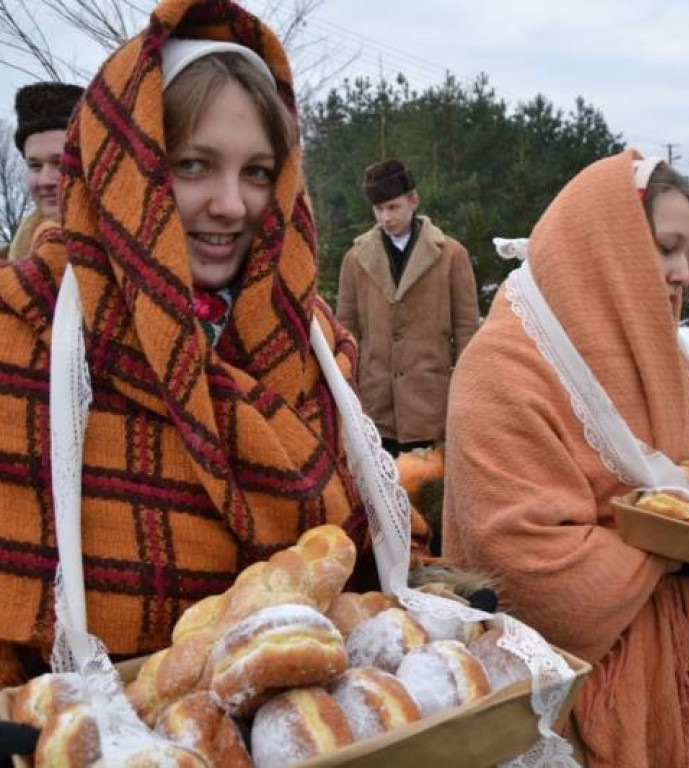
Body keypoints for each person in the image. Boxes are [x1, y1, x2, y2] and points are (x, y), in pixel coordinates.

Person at [0, 0, 437, 687]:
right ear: (124, 169)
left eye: (257, 171)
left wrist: (436, 596)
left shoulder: (314, 342)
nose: (231, 204)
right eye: (193, 165)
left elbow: (381, 537)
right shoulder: (24, 336)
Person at [443, 151, 689, 768]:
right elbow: (522, 561)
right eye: (666, 248)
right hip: (583, 692)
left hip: (685, 659)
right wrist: (683, 551)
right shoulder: (503, 369)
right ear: (604, 248)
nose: (684, 273)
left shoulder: (653, 355)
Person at [336, 160, 479, 456]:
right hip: (375, 405)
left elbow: (466, 329)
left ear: (414, 201)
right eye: (378, 209)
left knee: (430, 481)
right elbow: (346, 330)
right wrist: (349, 390)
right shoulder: (355, 259)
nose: (386, 217)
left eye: (393, 207)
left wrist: (465, 391)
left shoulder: (452, 255)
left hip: (431, 403)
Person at [1, 81, 84, 262]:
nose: (44, 180)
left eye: (60, 163)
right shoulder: (10, 264)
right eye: (35, 166)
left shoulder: (131, 256)